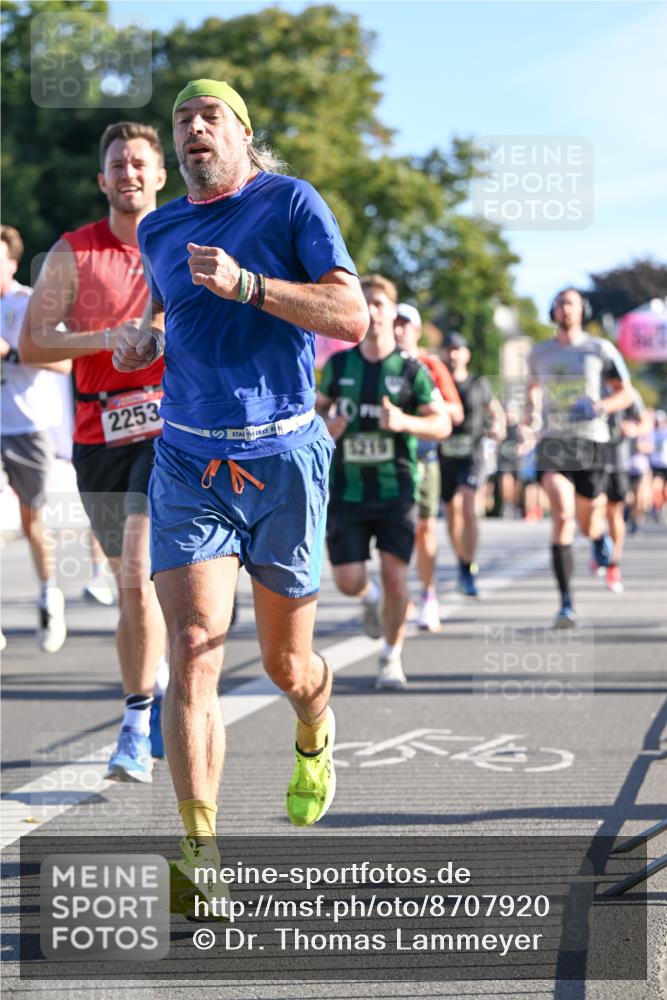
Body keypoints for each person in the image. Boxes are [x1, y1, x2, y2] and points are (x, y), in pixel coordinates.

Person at [111, 79, 368, 914]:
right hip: (188, 460)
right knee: (191, 645)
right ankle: (198, 849)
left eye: (206, 116)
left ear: (243, 135)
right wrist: (142, 338)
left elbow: (350, 317)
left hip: (284, 458)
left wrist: (250, 286)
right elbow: (170, 314)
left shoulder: (291, 203)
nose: (191, 129)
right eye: (182, 119)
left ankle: (312, 729)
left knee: (287, 666)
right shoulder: (159, 227)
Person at [19, 122, 169, 780]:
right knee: (129, 582)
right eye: (117, 164)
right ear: (102, 180)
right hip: (98, 436)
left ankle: (134, 726)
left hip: (172, 434)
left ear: (160, 175)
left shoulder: (188, 242)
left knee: (138, 570)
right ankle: (155, 676)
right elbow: (33, 344)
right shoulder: (73, 253)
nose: (129, 172)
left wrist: (161, 332)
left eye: (140, 162)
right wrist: (107, 338)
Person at [317, 276, 451, 687]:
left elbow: (442, 422)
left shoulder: (412, 370)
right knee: (348, 580)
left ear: (394, 314)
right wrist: (328, 428)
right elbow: (312, 417)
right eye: (366, 302)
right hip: (347, 491)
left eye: (379, 303)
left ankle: (391, 657)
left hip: (396, 491)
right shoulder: (339, 366)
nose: (372, 310)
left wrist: (404, 421)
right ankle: (369, 599)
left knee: (396, 575)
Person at [525, 287, 633, 627]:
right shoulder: (539, 353)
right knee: (562, 513)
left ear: (582, 309)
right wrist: (530, 416)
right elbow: (532, 388)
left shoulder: (599, 349)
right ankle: (566, 602)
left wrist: (601, 406)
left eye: (569, 303)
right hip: (554, 442)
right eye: (558, 303)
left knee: (588, 520)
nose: (564, 308)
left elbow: (625, 394)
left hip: (590, 442)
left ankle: (598, 537)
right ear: (552, 311)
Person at [1, 225, 69, 653]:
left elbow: (64, 361)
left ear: (10, 264)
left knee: (33, 522)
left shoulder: (28, 304)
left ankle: (49, 595)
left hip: (28, 426)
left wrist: (9, 353)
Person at [393, 302, 463, 631]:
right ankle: (397, 594)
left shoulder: (431, 365)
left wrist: (426, 404)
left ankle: (428, 596)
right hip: (388, 460)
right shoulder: (379, 364)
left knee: (424, 529)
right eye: (394, 323)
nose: (397, 330)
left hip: (423, 457)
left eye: (405, 324)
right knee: (391, 530)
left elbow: (455, 412)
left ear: (417, 331)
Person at [439, 332, 505, 596]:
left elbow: (495, 409)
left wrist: (498, 426)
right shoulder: (438, 381)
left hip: (473, 452)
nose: (454, 354)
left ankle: (467, 566)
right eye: (450, 349)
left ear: (467, 354)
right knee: (452, 512)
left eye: (459, 349)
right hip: (445, 453)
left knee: (468, 505)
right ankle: (462, 560)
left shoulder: (479, 383)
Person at [600, 388, 651, 592]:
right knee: (594, 512)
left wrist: (634, 430)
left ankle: (613, 563)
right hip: (590, 461)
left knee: (614, 512)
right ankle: (598, 543)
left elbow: (644, 421)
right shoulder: (587, 384)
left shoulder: (628, 393)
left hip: (619, 463)